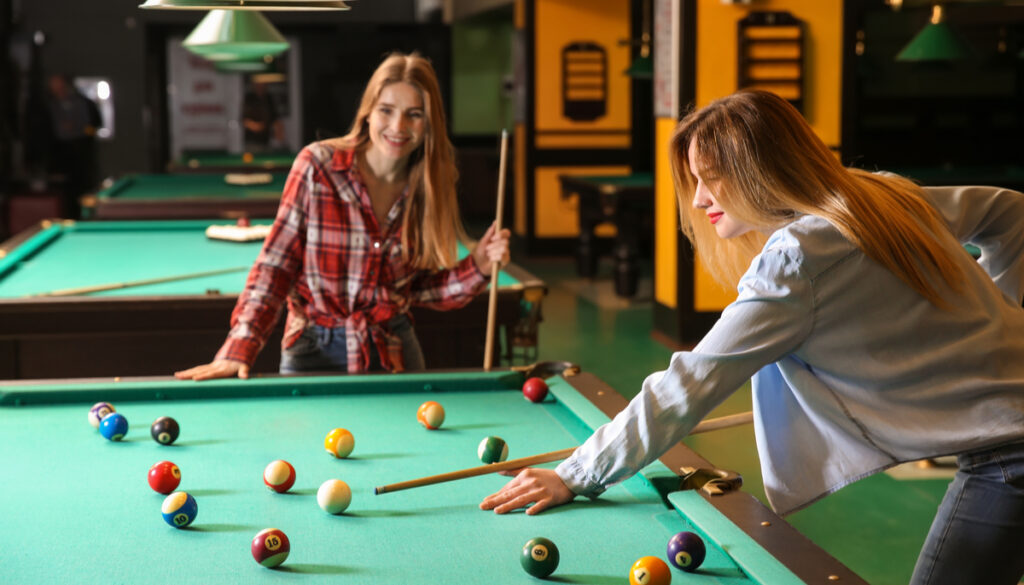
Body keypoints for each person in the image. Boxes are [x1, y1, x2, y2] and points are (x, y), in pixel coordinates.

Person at [480, 90, 1024, 585]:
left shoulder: (794, 262)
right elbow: (1011, 213)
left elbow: (686, 386)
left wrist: (576, 475)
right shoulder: (882, 194)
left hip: (1008, 460)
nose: (697, 200)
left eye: (710, 177)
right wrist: (1007, 321)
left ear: (760, 170)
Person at [175, 52, 510, 380]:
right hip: (311, 349)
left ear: (429, 124)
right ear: (367, 113)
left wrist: (477, 266)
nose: (398, 126)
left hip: (392, 349)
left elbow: (416, 290)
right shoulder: (317, 167)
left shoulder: (428, 187)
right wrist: (240, 347)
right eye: (386, 110)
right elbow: (274, 268)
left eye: (414, 114)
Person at [46, 73, 102, 219]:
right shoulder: (49, 106)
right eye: (53, 85)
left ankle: (85, 219)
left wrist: (83, 131)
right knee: (63, 192)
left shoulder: (85, 103)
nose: (56, 88)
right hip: (60, 155)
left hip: (81, 152)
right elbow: (43, 133)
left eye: (58, 84)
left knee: (83, 187)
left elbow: (95, 125)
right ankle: (67, 219)